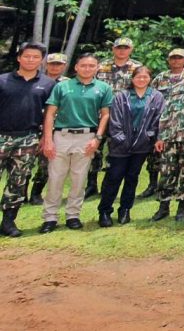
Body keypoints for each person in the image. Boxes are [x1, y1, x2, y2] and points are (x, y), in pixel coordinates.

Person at [40, 53, 111, 233]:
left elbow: (105, 115)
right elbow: (49, 113)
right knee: (56, 177)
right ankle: (50, 217)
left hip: (87, 136)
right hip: (62, 136)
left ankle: (73, 215)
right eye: (83, 65)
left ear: (97, 68)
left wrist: (97, 138)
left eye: (91, 66)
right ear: (76, 67)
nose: (87, 69)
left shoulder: (103, 88)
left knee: (79, 179)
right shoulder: (63, 86)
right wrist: (48, 139)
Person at [97, 66, 164, 227]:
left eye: (145, 77)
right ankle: (105, 211)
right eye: (138, 77)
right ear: (132, 79)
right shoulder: (122, 96)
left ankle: (125, 209)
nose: (141, 80)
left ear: (150, 79)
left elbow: (159, 119)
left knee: (132, 178)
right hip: (120, 146)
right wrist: (121, 139)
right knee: (113, 177)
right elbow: (115, 121)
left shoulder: (156, 96)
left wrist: (151, 137)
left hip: (142, 146)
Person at [0, 42, 55, 237]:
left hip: (28, 138)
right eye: (27, 56)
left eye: (35, 57)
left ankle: (8, 222)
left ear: (41, 61)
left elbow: (50, 113)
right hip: (1, 136)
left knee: (18, 181)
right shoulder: (3, 80)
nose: (31, 60)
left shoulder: (48, 84)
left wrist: (45, 138)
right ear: (19, 58)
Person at [151, 56, 184, 223]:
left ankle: (182, 207)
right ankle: (163, 206)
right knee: (167, 172)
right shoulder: (175, 88)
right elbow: (166, 113)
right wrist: (161, 136)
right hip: (171, 138)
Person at [90, 38, 141, 198]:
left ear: (131, 49)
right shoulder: (101, 66)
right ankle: (91, 184)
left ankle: (109, 184)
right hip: (99, 115)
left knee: (116, 151)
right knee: (94, 150)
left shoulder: (137, 68)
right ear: (113, 49)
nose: (122, 50)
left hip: (123, 118)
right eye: (119, 47)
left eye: (125, 48)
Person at [141, 48, 184, 201]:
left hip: (182, 124)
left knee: (181, 158)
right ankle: (153, 184)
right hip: (159, 123)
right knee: (154, 157)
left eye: (179, 58)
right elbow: (150, 97)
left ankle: (178, 186)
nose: (176, 60)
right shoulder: (161, 78)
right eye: (173, 58)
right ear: (168, 60)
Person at [27, 52, 66, 206]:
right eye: (52, 63)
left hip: (55, 128)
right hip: (32, 126)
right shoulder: (36, 80)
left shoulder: (67, 84)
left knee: (46, 163)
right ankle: (20, 192)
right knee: (26, 163)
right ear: (46, 64)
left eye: (59, 64)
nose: (55, 67)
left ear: (64, 66)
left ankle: (36, 193)